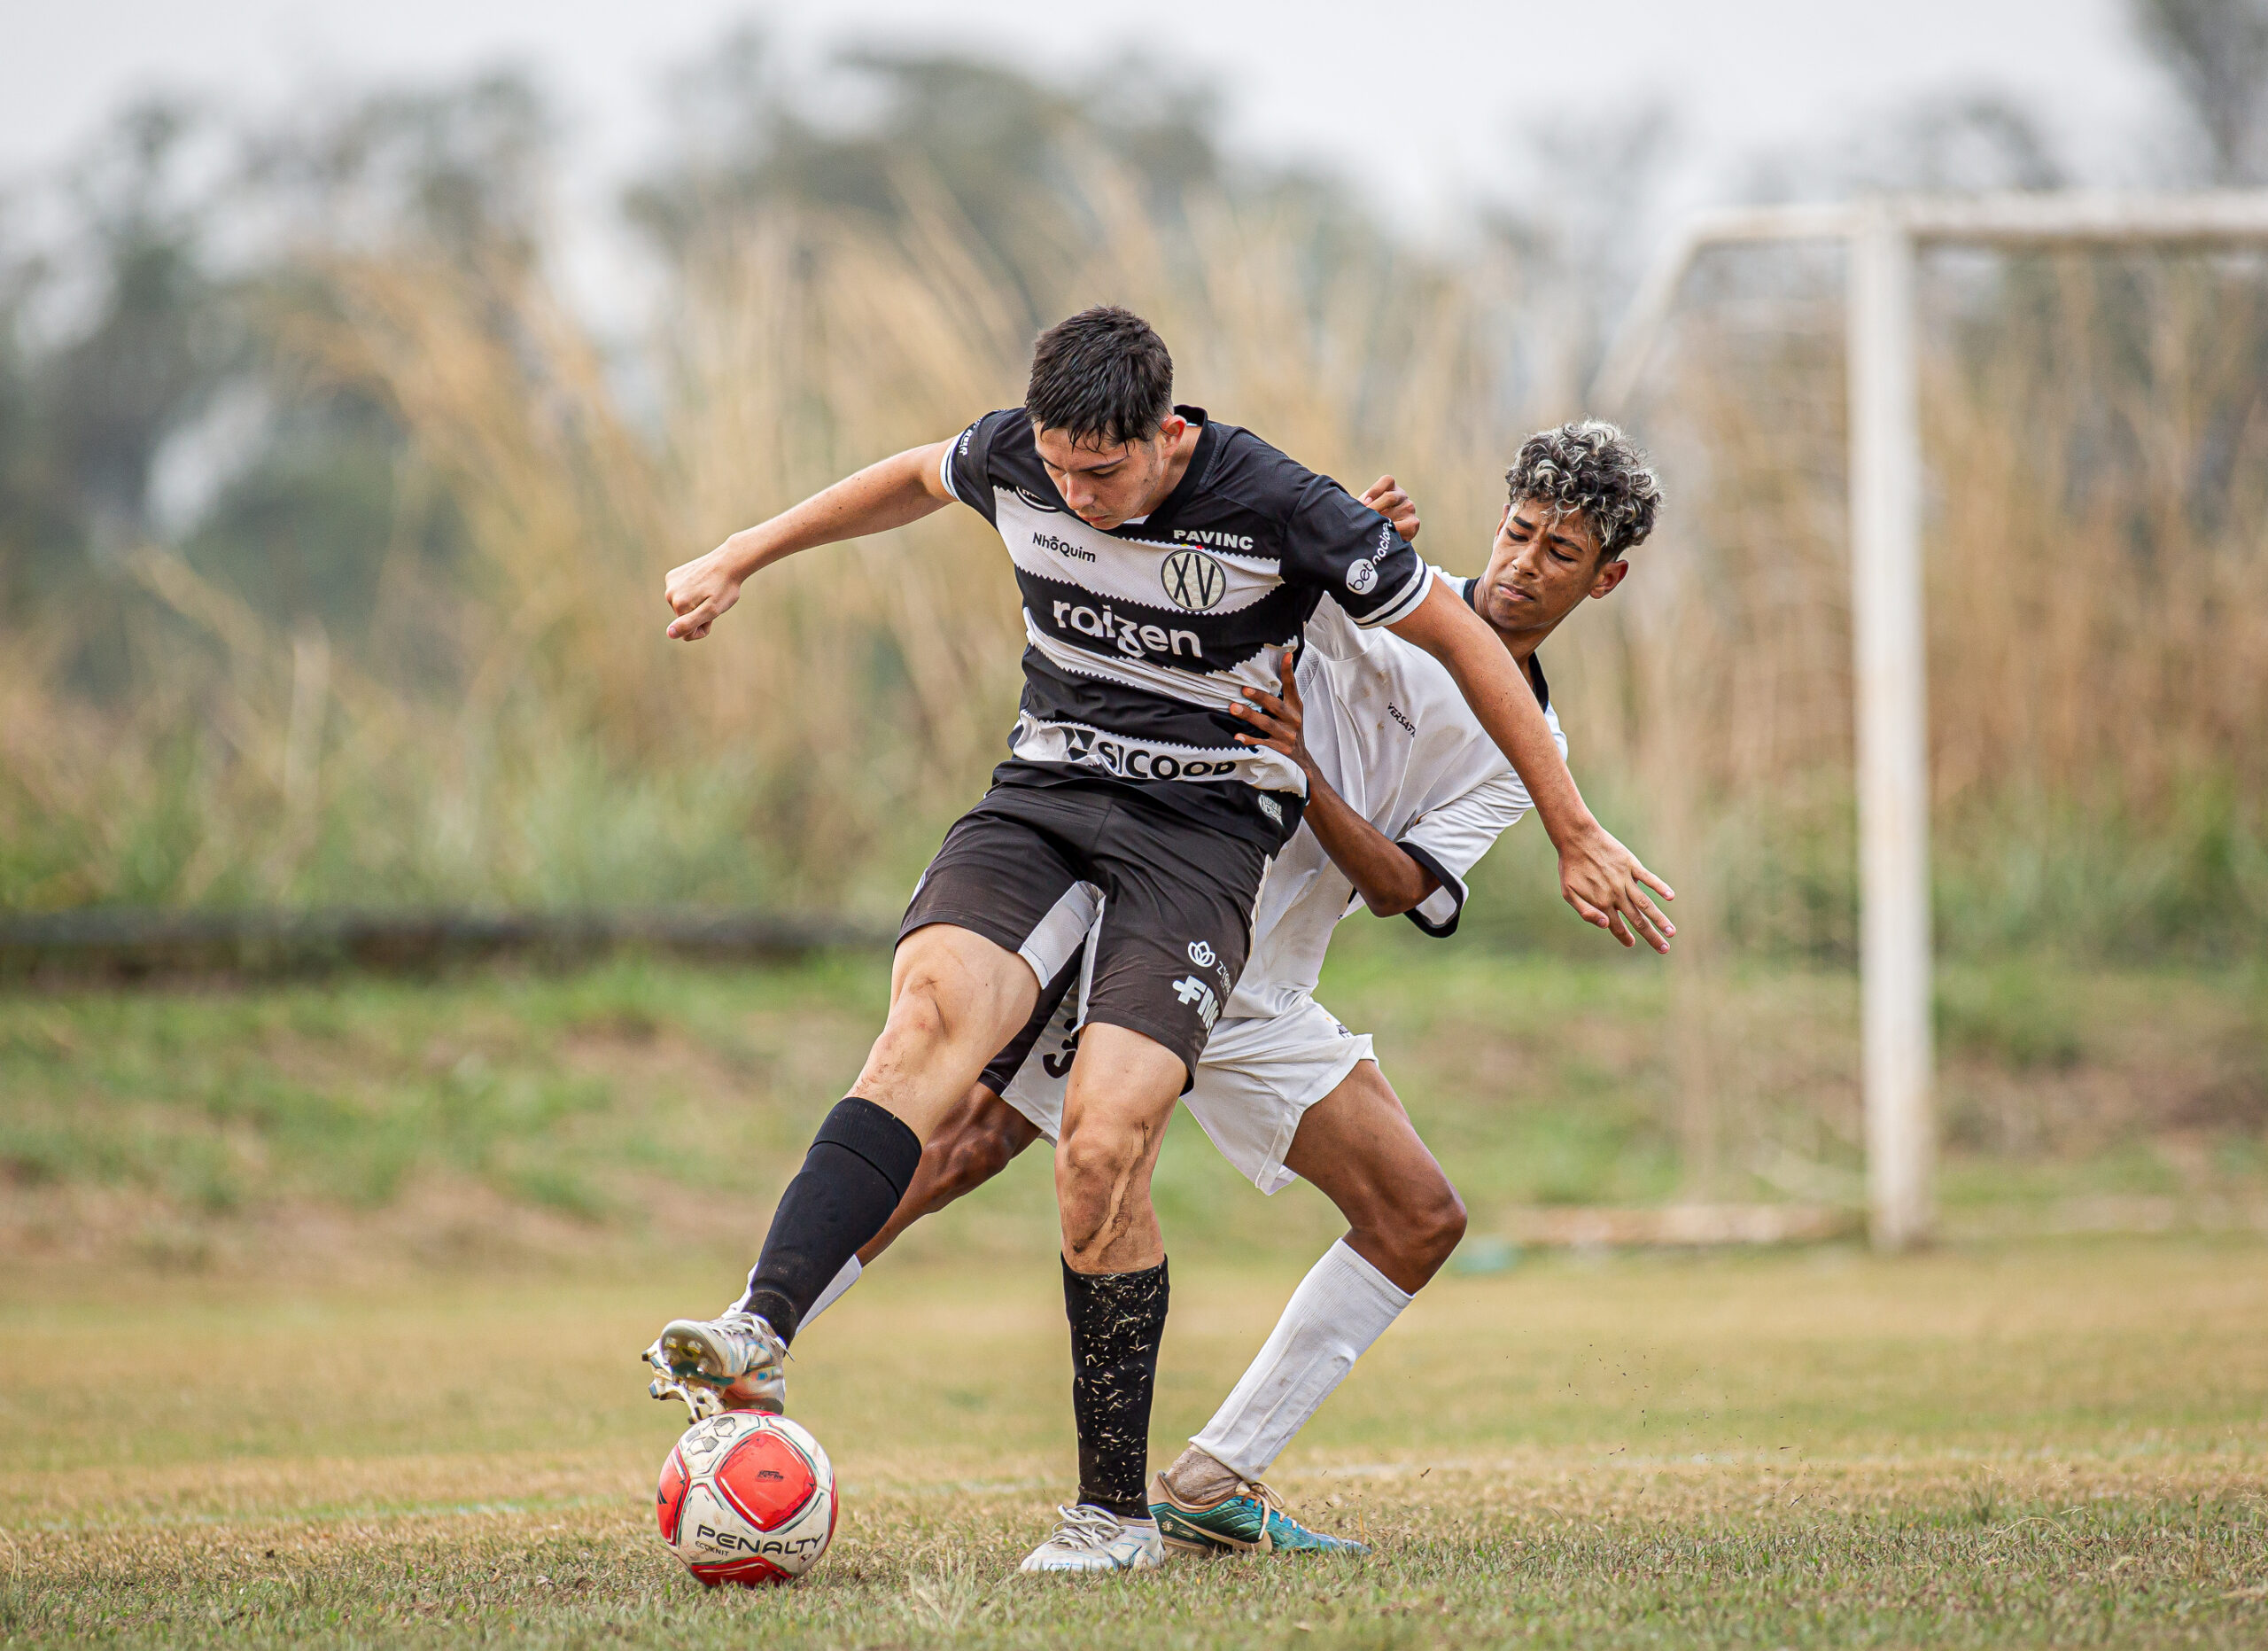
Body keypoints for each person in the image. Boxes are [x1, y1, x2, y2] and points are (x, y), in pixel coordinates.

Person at [646, 302, 1674, 1574]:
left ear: (1602, 580)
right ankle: (764, 1335)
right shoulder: (1375, 592)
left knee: (1418, 1216)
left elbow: (1413, 890)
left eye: (1560, 554)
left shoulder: (1525, 748)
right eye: (1518, 531)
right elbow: (1248, 571)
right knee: (970, 1131)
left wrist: (1329, 782)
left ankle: (1208, 1478)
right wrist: (1326, 539)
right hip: (1151, 909)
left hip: (1255, 979)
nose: (1523, 564)